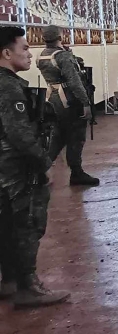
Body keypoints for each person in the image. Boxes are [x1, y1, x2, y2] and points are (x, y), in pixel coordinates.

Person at [0, 26, 70, 308]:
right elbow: (19, 133)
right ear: (7, 53)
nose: (30, 54)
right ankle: (28, 286)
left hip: (5, 169)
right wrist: (43, 162)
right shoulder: (9, 87)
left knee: (7, 223)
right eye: (25, 48)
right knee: (28, 222)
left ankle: (10, 279)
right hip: (18, 168)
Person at [36, 25, 99, 186]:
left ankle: (42, 168)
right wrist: (85, 103)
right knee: (76, 135)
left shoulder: (42, 55)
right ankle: (76, 172)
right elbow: (74, 81)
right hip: (69, 99)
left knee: (58, 135)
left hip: (53, 98)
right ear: (60, 37)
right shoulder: (63, 56)